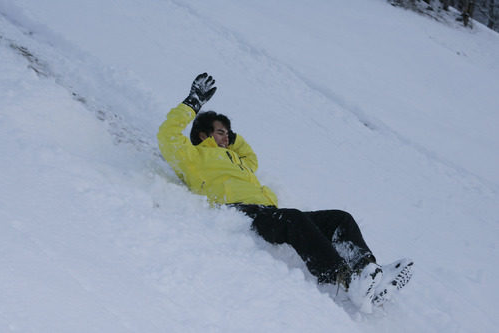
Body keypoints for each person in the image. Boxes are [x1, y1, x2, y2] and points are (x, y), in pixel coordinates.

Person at [157, 73, 413, 313]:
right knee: (293, 218)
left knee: (339, 218)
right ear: (203, 135)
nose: (228, 137)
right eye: (221, 132)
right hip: (241, 213)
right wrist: (193, 103)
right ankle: (343, 279)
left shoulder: (239, 160)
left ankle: (367, 271)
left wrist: (230, 138)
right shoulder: (192, 156)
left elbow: (250, 156)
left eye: (229, 133)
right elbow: (167, 134)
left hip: (269, 212)